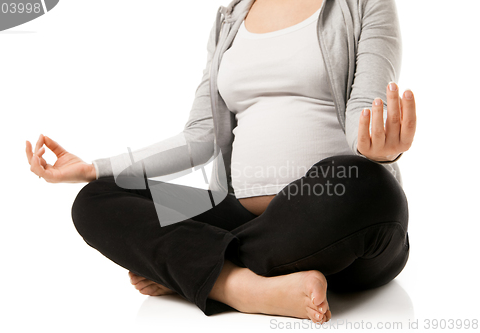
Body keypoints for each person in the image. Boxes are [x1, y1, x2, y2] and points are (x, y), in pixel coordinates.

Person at [25, 0, 416, 324]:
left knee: (366, 183)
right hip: (235, 211)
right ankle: (238, 286)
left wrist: (381, 150)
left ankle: (195, 267)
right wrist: (93, 168)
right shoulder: (231, 16)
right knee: (98, 199)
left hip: (333, 213)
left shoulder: (364, 4)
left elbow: (366, 114)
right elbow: (200, 137)